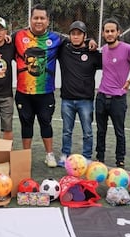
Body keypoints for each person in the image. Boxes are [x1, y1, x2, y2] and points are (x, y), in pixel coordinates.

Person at [0, 4, 97, 168]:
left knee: (45, 123)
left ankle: (49, 154)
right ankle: (25, 155)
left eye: (42, 18)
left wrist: (89, 40)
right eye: (35, 17)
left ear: (48, 20)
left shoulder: (57, 38)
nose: (38, 21)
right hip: (24, 92)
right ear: (30, 19)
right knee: (26, 124)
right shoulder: (17, 36)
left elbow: (75, 39)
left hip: (45, 92)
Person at [95, 18, 130, 169]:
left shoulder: (128, 49)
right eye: (107, 31)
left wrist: (129, 81)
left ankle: (120, 160)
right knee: (101, 131)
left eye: (113, 31)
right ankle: (100, 158)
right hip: (101, 97)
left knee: (119, 132)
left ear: (119, 32)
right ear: (103, 33)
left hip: (117, 99)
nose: (110, 34)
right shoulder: (104, 50)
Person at [57, 21, 102, 167]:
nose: (76, 37)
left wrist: (91, 41)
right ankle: (65, 155)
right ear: (69, 36)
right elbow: (52, 35)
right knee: (66, 131)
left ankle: (87, 157)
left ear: (85, 36)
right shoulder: (63, 50)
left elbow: (108, 64)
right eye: (73, 34)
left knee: (87, 131)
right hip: (67, 100)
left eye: (79, 34)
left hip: (86, 101)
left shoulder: (93, 53)